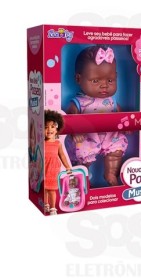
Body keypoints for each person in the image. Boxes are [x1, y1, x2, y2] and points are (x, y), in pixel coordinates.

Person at [64, 45, 128, 186]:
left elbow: (123, 116)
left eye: (110, 80)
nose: (104, 85)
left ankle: (111, 173)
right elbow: (68, 119)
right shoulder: (78, 103)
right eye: (95, 81)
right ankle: (83, 179)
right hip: (87, 138)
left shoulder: (112, 101)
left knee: (116, 151)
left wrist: (127, 125)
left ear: (116, 77)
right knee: (82, 159)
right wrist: (74, 131)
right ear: (78, 79)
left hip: (110, 136)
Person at [44, 110, 72, 215]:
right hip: (43, 169)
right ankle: (45, 204)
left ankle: (52, 208)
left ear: (57, 129)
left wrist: (68, 167)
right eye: (46, 127)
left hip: (53, 170)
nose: (49, 129)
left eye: (52, 126)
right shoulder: (41, 143)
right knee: (44, 188)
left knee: (51, 189)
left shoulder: (57, 143)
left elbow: (62, 156)